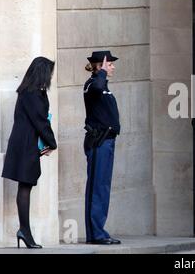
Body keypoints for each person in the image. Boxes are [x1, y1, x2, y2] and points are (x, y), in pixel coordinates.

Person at [1, 57, 57, 249]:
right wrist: (52, 143)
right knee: (25, 188)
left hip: (25, 145)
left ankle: (24, 231)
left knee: (25, 187)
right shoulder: (32, 93)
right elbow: (40, 120)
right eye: (49, 72)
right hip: (25, 146)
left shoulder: (32, 91)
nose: (50, 77)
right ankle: (24, 231)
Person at [83, 51, 121, 245]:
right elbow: (97, 86)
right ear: (100, 65)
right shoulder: (93, 84)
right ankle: (95, 234)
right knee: (96, 188)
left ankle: (100, 231)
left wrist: (103, 75)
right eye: (110, 64)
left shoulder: (102, 85)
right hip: (98, 142)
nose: (113, 67)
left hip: (107, 142)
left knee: (103, 188)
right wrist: (102, 73)